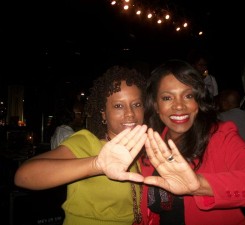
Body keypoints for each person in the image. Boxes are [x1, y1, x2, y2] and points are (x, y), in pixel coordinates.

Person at [139, 59, 245, 225]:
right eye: (167, 98)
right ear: (156, 105)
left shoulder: (219, 136)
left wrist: (199, 185)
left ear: (198, 102)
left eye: (188, 95)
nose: (179, 106)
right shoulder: (150, 145)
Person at [14, 65, 148, 225]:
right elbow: (24, 176)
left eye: (136, 104)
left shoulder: (146, 150)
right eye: (118, 106)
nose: (130, 113)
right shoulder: (86, 143)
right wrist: (96, 164)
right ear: (103, 113)